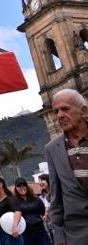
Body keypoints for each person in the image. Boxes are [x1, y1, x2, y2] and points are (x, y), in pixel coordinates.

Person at [44, 88, 88, 245]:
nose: (59, 116)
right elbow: (56, 197)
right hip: (76, 235)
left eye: (65, 109)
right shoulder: (52, 148)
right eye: (56, 111)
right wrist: (59, 238)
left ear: (83, 111)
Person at [13, 177, 51, 245]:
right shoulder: (14, 202)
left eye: (23, 185)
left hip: (40, 230)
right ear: (16, 188)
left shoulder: (36, 199)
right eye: (19, 186)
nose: (22, 188)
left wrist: (45, 216)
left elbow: (43, 212)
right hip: (26, 233)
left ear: (27, 186)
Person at [0, 177, 23, 245]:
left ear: (0, 184)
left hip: (10, 233)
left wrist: (15, 226)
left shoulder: (10, 199)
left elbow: (18, 211)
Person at [38, 174, 54, 242]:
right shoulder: (41, 198)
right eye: (39, 181)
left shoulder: (56, 193)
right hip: (49, 225)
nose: (40, 183)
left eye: (42, 180)